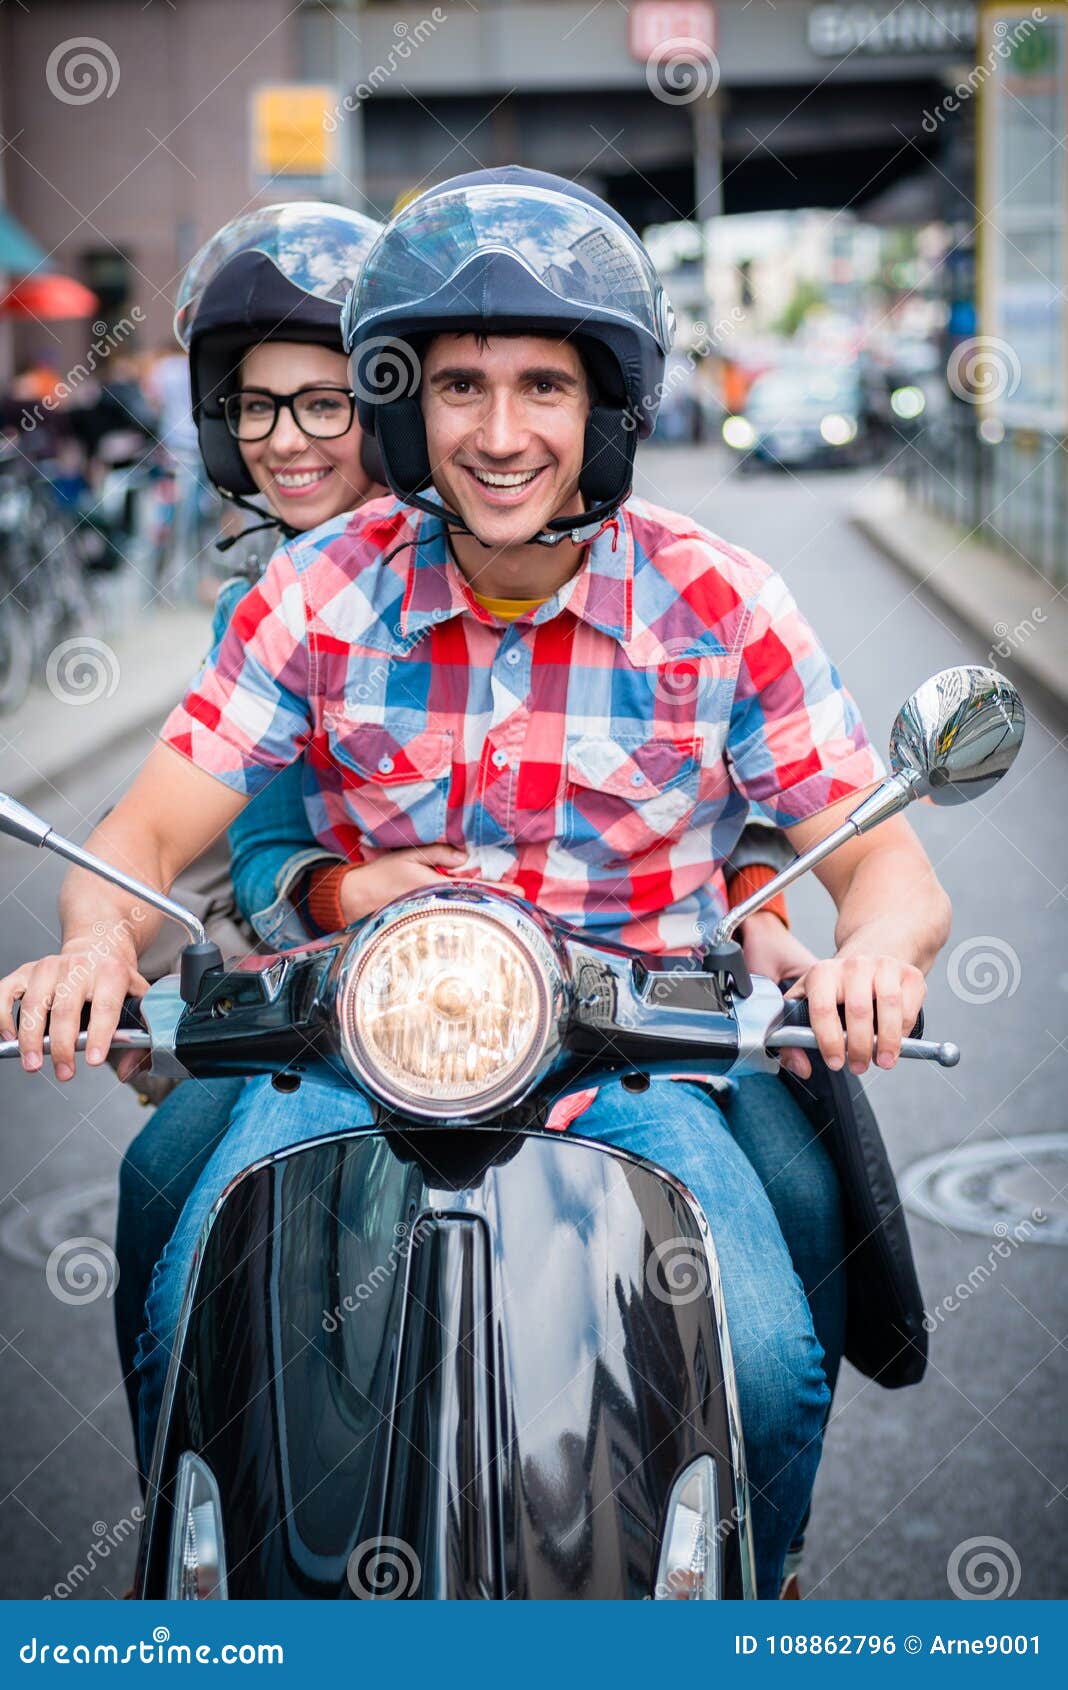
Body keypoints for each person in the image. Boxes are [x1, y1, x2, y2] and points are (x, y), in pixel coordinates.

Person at [0, 170, 951, 1598]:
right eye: (458, 387)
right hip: (346, 1061)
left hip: (642, 1069)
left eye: (541, 388)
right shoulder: (320, 589)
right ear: (406, 407)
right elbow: (141, 835)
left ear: (607, 410)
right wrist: (88, 945)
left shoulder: (721, 599)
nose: (501, 436)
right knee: (194, 1286)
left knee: (758, 1346)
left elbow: (890, 864)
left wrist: (875, 951)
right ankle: (197, 1590)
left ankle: (760, 1582)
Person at [105, 202, 388, 1473]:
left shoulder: (524, 546)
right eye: (257, 408)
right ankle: (182, 1524)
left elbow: (724, 777)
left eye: (325, 401)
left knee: (796, 1185)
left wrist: (766, 906)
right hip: (317, 984)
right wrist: (117, 947)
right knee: (163, 1185)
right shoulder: (256, 605)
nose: (286, 439)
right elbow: (239, 845)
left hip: (561, 977)